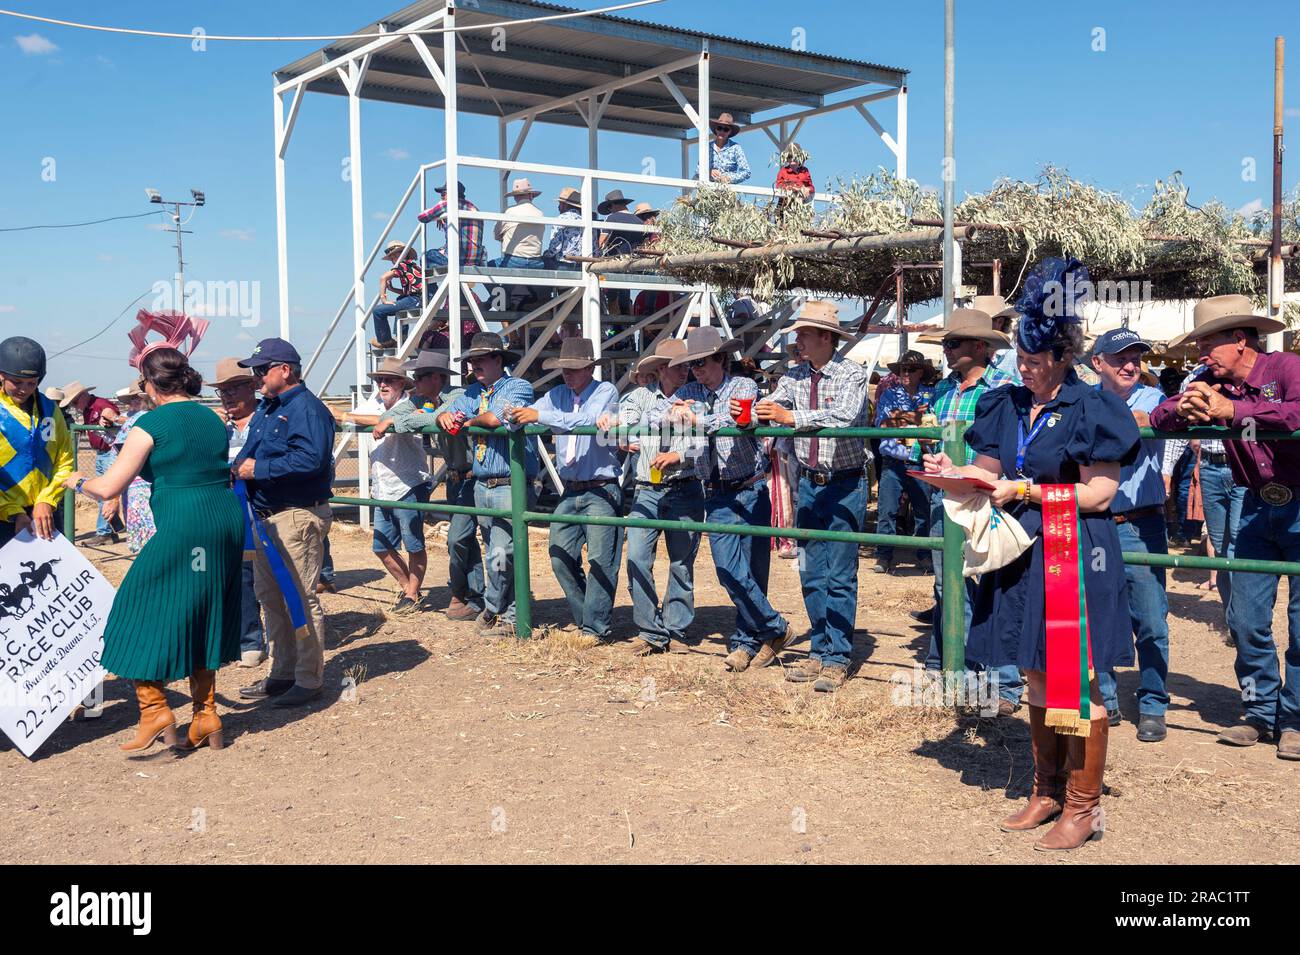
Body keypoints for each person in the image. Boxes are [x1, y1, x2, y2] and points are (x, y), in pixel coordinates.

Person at [924, 258, 1138, 852]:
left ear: (1064, 357)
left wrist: (1026, 491)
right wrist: (954, 472)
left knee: (1078, 679)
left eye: (1036, 361)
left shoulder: (1095, 407)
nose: (1025, 368)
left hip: (1074, 550)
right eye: (1020, 357)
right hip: (1021, 550)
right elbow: (989, 470)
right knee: (1039, 672)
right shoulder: (1008, 404)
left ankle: (1083, 804)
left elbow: (1100, 493)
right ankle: (1047, 788)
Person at [65, 348, 243, 755]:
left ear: (149, 383)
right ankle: (206, 713)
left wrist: (76, 481)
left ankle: (155, 710)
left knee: (132, 609)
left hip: (186, 525)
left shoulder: (151, 423)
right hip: (224, 521)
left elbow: (109, 486)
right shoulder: (212, 418)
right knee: (204, 610)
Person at [1150, 294, 1300, 760]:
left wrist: (1232, 412)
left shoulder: (1288, 369)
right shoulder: (1207, 379)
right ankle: (1259, 713)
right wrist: (1187, 410)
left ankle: (1294, 720)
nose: (1200, 353)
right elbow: (1160, 415)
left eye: (1207, 341)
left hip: (1297, 505)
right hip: (1257, 504)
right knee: (1246, 618)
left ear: (1239, 340)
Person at [656, 327, 790, 672]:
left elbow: (736, 416)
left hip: (749, 487)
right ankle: (774, 627)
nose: (696, 369)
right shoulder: (688, 390)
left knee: (751, 570)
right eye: (692, 363)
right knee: (728, 569)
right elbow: (667, 413)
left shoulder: (742, 385)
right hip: (716, 492)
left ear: (720, 358)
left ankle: (747, 642)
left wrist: (695, 418)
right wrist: (676, 414)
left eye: (702, 362)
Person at [754, 300, 870, 692]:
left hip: (845, 483)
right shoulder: (795, 376)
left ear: (826, 337)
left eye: (804, 334)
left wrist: (791, 418)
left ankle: (836, 656)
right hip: (810, 483)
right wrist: (759, 411)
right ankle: (821, 650)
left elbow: (846, 417)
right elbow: (770, 406)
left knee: (839, 572)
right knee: (812, 572)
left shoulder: (852, 374)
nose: (798, 340)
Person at [913, 308, 1023, 714]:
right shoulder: (943, 390)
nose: (946, 349)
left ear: (980, 346)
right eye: (945, 342)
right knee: (948, 586)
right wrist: (928, 457)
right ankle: (959, 671)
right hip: (948, 496)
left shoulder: (1007, 389)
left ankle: (1004, 683)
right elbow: (928, 440)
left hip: (987, 497)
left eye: (953, 343)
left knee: (991, 585)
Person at [233, 338, 337, 709]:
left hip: (295, 514)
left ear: (285, 370)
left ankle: (308, 679)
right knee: (272, 597)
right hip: (268, 517)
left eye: (262, 369)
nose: (257, 376)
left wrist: (257, 469)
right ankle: (283, 673)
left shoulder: (307, 409)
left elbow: (311, 460)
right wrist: (238, 468)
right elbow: (250, 451)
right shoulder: (270, 408)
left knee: (299, 598)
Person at [509, 339, 622, 642]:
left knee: (601, 558)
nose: (567, 375)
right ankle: (590, 617)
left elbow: (587, 420)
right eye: (564, 369)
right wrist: (515, 416)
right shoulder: (556, 394)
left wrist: (538, 416)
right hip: (571, 488)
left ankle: (594, 626)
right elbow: (532, 413)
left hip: (601, 487)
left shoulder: (605, 391)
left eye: (572, 369)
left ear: (588, 367)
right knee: (559, 554)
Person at [1089, 329, 1171, 742]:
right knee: (1098, 613)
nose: (1131, 364)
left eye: (1136, 356)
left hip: (1140, 522)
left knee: (1151, 618)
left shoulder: (1152, 400)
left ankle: (1154, 703)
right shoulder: (1085, 402)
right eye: (1120, 356)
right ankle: (1106, 698)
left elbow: (1146, 421)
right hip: (1098, 522)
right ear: (1097, 363)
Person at [600, 339, 703, 655]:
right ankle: (651, 629)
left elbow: (702, 444)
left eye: (687, 365)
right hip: (647, 487)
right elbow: (618, 430)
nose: (686, 371)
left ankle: (675, 630)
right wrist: (612, 425)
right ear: (661, 369)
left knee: (681, 563)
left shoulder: (697, 399)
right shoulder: (638, 398)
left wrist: (679, 456)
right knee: (637, 558)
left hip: (684, 486)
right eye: (679, 366)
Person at [438, 333, 538, 635]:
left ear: (498, 360)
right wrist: (445, 414)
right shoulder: (472, 391)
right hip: (483, 484)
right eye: (472, 360)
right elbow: (455, 413)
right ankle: (507, 612)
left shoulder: (518, 386)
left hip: (511, 482)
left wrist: (468, 420)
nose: (474, 364)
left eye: (481, 359)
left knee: (503, 550)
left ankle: (495, 608)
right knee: (497, 551)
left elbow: (496, 418)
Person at [377, 350, 484, 619]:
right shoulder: (422, 399)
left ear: (437, 378)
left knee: (462, 538)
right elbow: (400, 416)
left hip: (476, 476)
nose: (416, 381)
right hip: (458, 478)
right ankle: (471, 595)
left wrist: (414, 419)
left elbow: (441, 417)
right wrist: (414, 418)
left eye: (421, 376)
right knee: (462, 541)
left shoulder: (458, 396)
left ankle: (472, 595)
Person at [1160, 368, 1243, 639]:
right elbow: (1180, 425)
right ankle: (1233, 618)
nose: (1205, 349)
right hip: (1209, 466)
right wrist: (1167, 469)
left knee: (1237, 545)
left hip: (1241, 468)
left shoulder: (1247, 376)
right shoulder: (1195, 379)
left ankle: (1243, 620)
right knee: (1220, 545)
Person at [346, 359, 433, 615]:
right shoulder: (372, 404)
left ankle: (411, 594)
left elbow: (380, 419)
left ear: (401, 384)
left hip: (409, 483)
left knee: (413, 544)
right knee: (381, 546)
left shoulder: (411, 404)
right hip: (382, 487)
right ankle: (411, 592)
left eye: (389, 380)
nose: (382, 384)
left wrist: (345, 415)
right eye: (378, 380)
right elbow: (369, 418)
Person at [208, 357, 267, 668]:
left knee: (274, 575)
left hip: (266, 509)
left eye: (234, 388)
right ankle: (248, 638)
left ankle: (289, 638)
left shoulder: (269, 418)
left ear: (252, 387)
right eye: (222, 391)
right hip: (230, 511)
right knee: (238, 575)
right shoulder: (217, 429)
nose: (228, 396)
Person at [0, 337, 73, 545]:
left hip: (44, 515)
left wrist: (47, 501)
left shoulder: (50, 410)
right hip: (5, 518)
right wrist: (12, 512)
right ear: (1, 376)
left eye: (32, 383)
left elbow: (64, 460)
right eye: (17, 382)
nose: (24, 389)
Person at [872, 350, 936, 574]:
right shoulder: (890, 394)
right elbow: (882, 425)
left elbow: (935, 423)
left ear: (921, 372)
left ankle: (924, 554)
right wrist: (916, 418)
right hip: (894, 459)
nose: (906, 373)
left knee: (923, 511)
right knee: (886, 510)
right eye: (903, 369)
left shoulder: (931, 394)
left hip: (919, 459)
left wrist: (901, 416)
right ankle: (883, 555)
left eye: (911, 369)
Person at [60, 380, 123, 544]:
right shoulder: (89, 409)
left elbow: (114, 415)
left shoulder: (101, 404)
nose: (74, 406)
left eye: (74, 402)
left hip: (110, 452)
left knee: (105, 492)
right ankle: (110, 529)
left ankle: (105, 532)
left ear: (82, 396)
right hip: (102, 453)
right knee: (103, 493)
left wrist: (109, 419)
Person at [112, 382, 156, 555]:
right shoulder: (155, 417)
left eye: (135, 398)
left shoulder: (135, 421)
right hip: (151, 483)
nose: (132, 403)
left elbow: (122, 455)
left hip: (138, 484)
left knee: (145, 533)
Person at [418, 180, 485, 270]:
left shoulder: (448, 204)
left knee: (426, 257)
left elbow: (422, 217)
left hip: (457, 261)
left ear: (451, 193)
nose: (441, 197)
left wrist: (439, 213)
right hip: (474, 261)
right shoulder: (474, 208)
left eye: (443, 194)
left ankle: (434, 284)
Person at [370, 241, 424, 351]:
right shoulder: (413, 266)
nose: (393, 259)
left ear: (403, 254)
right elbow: (412, 290)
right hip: (417, 298)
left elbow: (383, 278)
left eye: (395, 255)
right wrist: (393, 289)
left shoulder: (402, 265)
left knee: (378, 311)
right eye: (392, 257)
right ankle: (400, 338)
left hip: (415, 299)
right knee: (400, 301)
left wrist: (383, 299)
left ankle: (386, 341)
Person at [969, 295, 1023, 384]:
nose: (977, 326)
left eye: (983, 321)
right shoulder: (972, 355)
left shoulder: (1015, 357)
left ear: (1000, 322)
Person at [543, 186, 584, 270]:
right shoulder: (586, 221)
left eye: (559, 203)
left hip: (563, 264)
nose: (558, 207)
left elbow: (555, 248)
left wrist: (546, 254)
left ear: (564, 204)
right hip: (582, 265)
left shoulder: (561, 218)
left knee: (543, 261)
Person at [707, 112, 750, 185]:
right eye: (719, 128)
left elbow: (746, 172)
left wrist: (729, 178)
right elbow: (698, 169)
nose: (722, 131)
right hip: (708, 190)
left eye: (726, 129)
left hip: (728, 191)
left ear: (730, 132)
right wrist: (709, 171)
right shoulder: (707, 147)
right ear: (716, 129)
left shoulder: (735, 148)